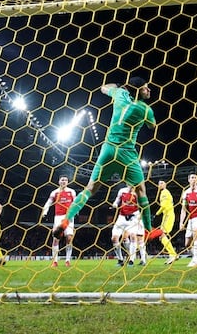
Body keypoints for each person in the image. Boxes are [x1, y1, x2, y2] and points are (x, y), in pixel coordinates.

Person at [53, 76, 159, 243]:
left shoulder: (120, 95)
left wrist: (119, 86)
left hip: (108, 149)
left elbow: (103, 87)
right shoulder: (146, 109)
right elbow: (152, 126)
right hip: (126, 153)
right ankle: (148, 231)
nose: (149, 90)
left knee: (89, 189)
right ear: (139, 90)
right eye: (146, 87)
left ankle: (66, 220)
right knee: (141, 191)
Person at [42, 175, 77, 268]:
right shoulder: (55, 192)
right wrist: (44, 212)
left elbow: (75, 202)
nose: (64, 181)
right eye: (62, 180)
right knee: (55, 238)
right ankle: (55, 261)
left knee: (69, 238)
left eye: (65, 180)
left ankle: (67, 260)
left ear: (68, 182)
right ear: (59, 181)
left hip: (69, 217)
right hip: (58, 217)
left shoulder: (72, 192)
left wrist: (76, 211)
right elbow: (49, 202)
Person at [111, 184, 147, 266]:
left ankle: (132, 260)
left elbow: (143, 206)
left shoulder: (138, 193)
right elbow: (117, 200)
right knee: (114, 239)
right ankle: (120, 260)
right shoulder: (122, 191)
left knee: (134, 236)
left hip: (134, 218)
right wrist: (115, 204)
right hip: (122, 217)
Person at [153, 180, 180, 264]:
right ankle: (172, 254)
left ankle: (173, 255)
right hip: (166, 216)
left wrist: (157, 214)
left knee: (162, 235)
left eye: (162, 183)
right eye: (159, 183)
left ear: (165, 184)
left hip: (168, 215)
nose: (160, 185)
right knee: (161, 237)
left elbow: (163, 206)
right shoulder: (164, 193)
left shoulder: (164, 192)